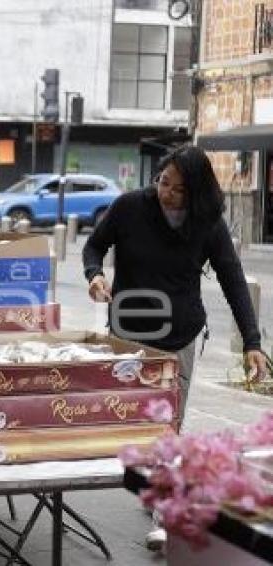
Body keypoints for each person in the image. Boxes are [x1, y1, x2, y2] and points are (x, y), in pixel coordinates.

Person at [82, 145, 268, 550]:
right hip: (128, 331)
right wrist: (94, 275)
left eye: (178, 189)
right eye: (162, 182)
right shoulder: (130, 207)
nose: (166, 192)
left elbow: (233, 280)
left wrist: (252, 343)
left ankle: (164, 510)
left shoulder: (208, 223)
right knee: (132, 418)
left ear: (197, 193)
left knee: (169, 420)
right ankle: (154, 478)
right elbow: (94, 246)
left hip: (179, 332)